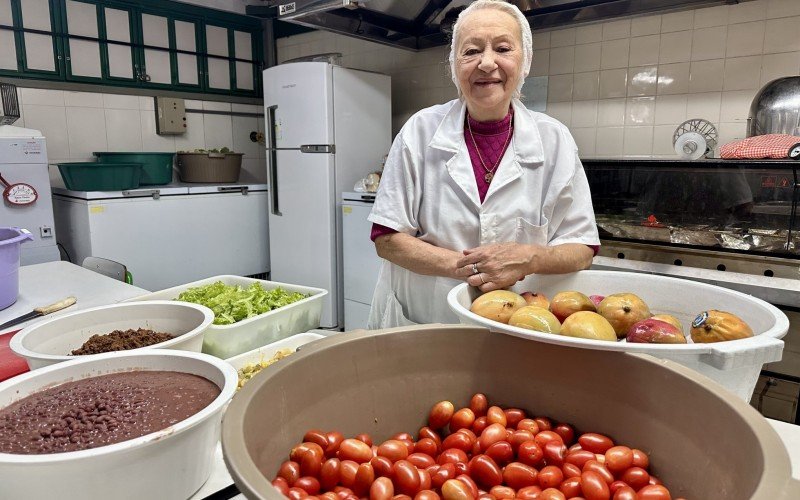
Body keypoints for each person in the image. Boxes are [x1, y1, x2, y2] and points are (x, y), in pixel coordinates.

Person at [367, 0, 600, 329]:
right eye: (471, 51)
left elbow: (582, 247)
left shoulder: (555, 140)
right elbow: (387, 238)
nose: (487, 63)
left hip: (518, 324)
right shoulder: (419, 131)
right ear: (454, 64)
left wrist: (526, 257)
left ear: (524, 60)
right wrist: (473, 267)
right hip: (426, 319)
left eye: (503, 48)